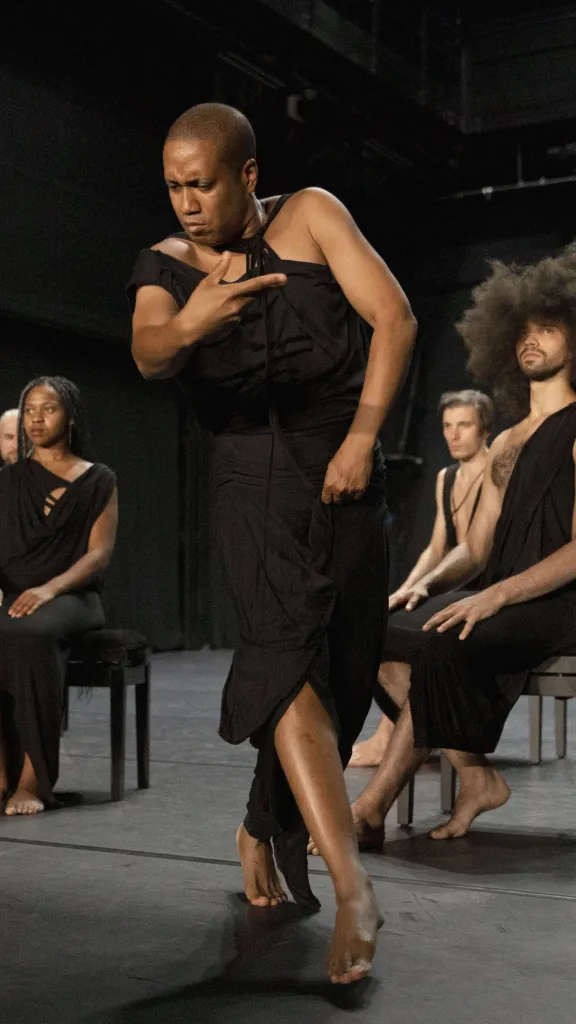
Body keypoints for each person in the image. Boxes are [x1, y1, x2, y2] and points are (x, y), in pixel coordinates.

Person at [128, 102, 416, 984]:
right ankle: (353, 886)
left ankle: (262, 820)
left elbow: (395, 319)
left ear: (247, 176)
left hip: (342, 472)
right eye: (173, 186)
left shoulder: (313, 214)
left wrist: (365, 439)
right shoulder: (167, 266)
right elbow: (146, 351)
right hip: (250, 483)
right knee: (285, 669)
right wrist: (191, 325)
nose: (185, 203)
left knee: (345, 673)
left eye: (201, 184)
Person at [347, 244, 576, 847]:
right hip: (503, 595)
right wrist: (429, 582)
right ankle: (475, 775)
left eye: (549, 328)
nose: (532, 340)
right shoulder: (503, 444)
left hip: (561, 600)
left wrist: (494, 597)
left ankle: (369, 808)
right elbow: (475, 548)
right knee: (369, 635)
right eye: (523, 330)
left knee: (442, 646)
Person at [350, 389, 493, 766]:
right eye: (447, 426)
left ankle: (403, 738)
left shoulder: (498, 472)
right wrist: (407, 588)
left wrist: (423, 588)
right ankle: (407, 734)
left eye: (464, 425)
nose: (454, 434)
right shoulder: (446, 477)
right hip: (450, 582)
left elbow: (481, 550)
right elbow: (436, 547)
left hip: (484, 588)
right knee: (385, 621)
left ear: (485, 429)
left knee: (402, 633)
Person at [0, 377, 117, 816]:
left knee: (32, 634)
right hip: (15, 596)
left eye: (47, 409)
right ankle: (1, 776)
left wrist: (49, 588)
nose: (35, 418)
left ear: (69, 416)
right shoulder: (7, 481)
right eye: (29, 409)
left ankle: (33, 780)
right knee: (11, 627)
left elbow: (99, 556)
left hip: (73, 597)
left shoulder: (99, 479)